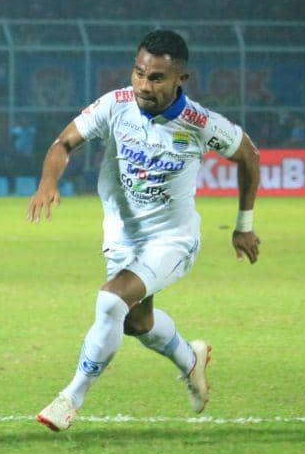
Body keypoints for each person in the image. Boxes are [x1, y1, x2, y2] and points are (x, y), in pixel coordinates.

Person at [27, 30, 261, 431]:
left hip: (173, 241)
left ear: (180, 80)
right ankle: (191, 359)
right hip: (122, 237)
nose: (143, 85)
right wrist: (48, 182)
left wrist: (244, 225)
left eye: (156, 78)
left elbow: (249, 155)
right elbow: (63, 143)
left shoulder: (200, 123)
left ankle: (71, 398)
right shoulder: (115, 105)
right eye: (138, 73)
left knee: (110, 303)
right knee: (136, 323)